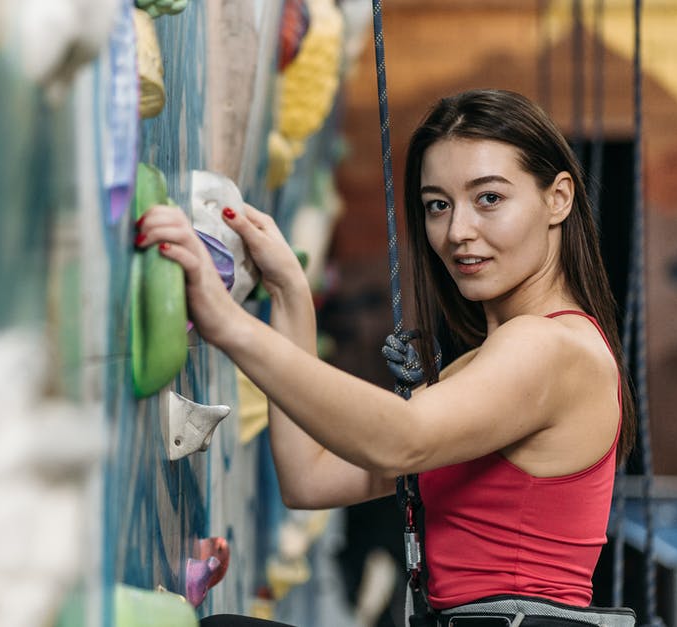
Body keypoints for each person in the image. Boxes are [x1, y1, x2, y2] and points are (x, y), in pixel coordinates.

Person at [135, 89, 638, 626]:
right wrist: (289, 293)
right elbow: (311, 479)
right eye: (437, 205)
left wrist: (229, 325)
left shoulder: (551, 347)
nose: (458, 231)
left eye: (489, 198)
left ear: (558, 198)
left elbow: (401, 439)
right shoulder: (488, 366)